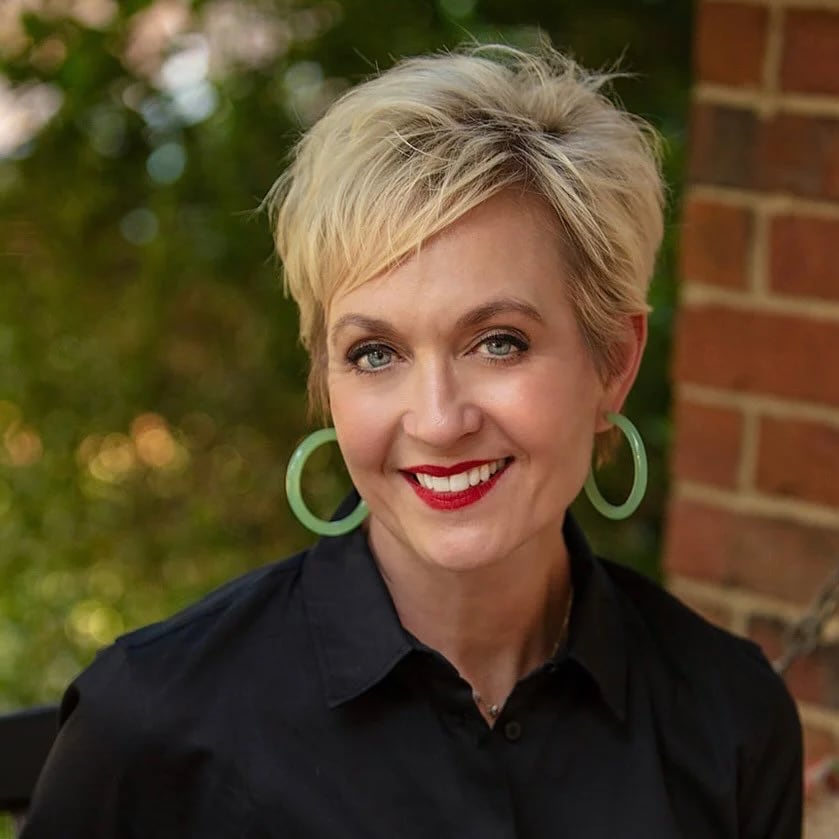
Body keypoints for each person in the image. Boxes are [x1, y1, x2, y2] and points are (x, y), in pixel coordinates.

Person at [23, 43, 802, 838]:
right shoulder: (153, 723)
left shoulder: (729, 718)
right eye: (375, 353)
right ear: (328, 380)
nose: (436, 418)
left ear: (614, 361)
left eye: (497, 341)